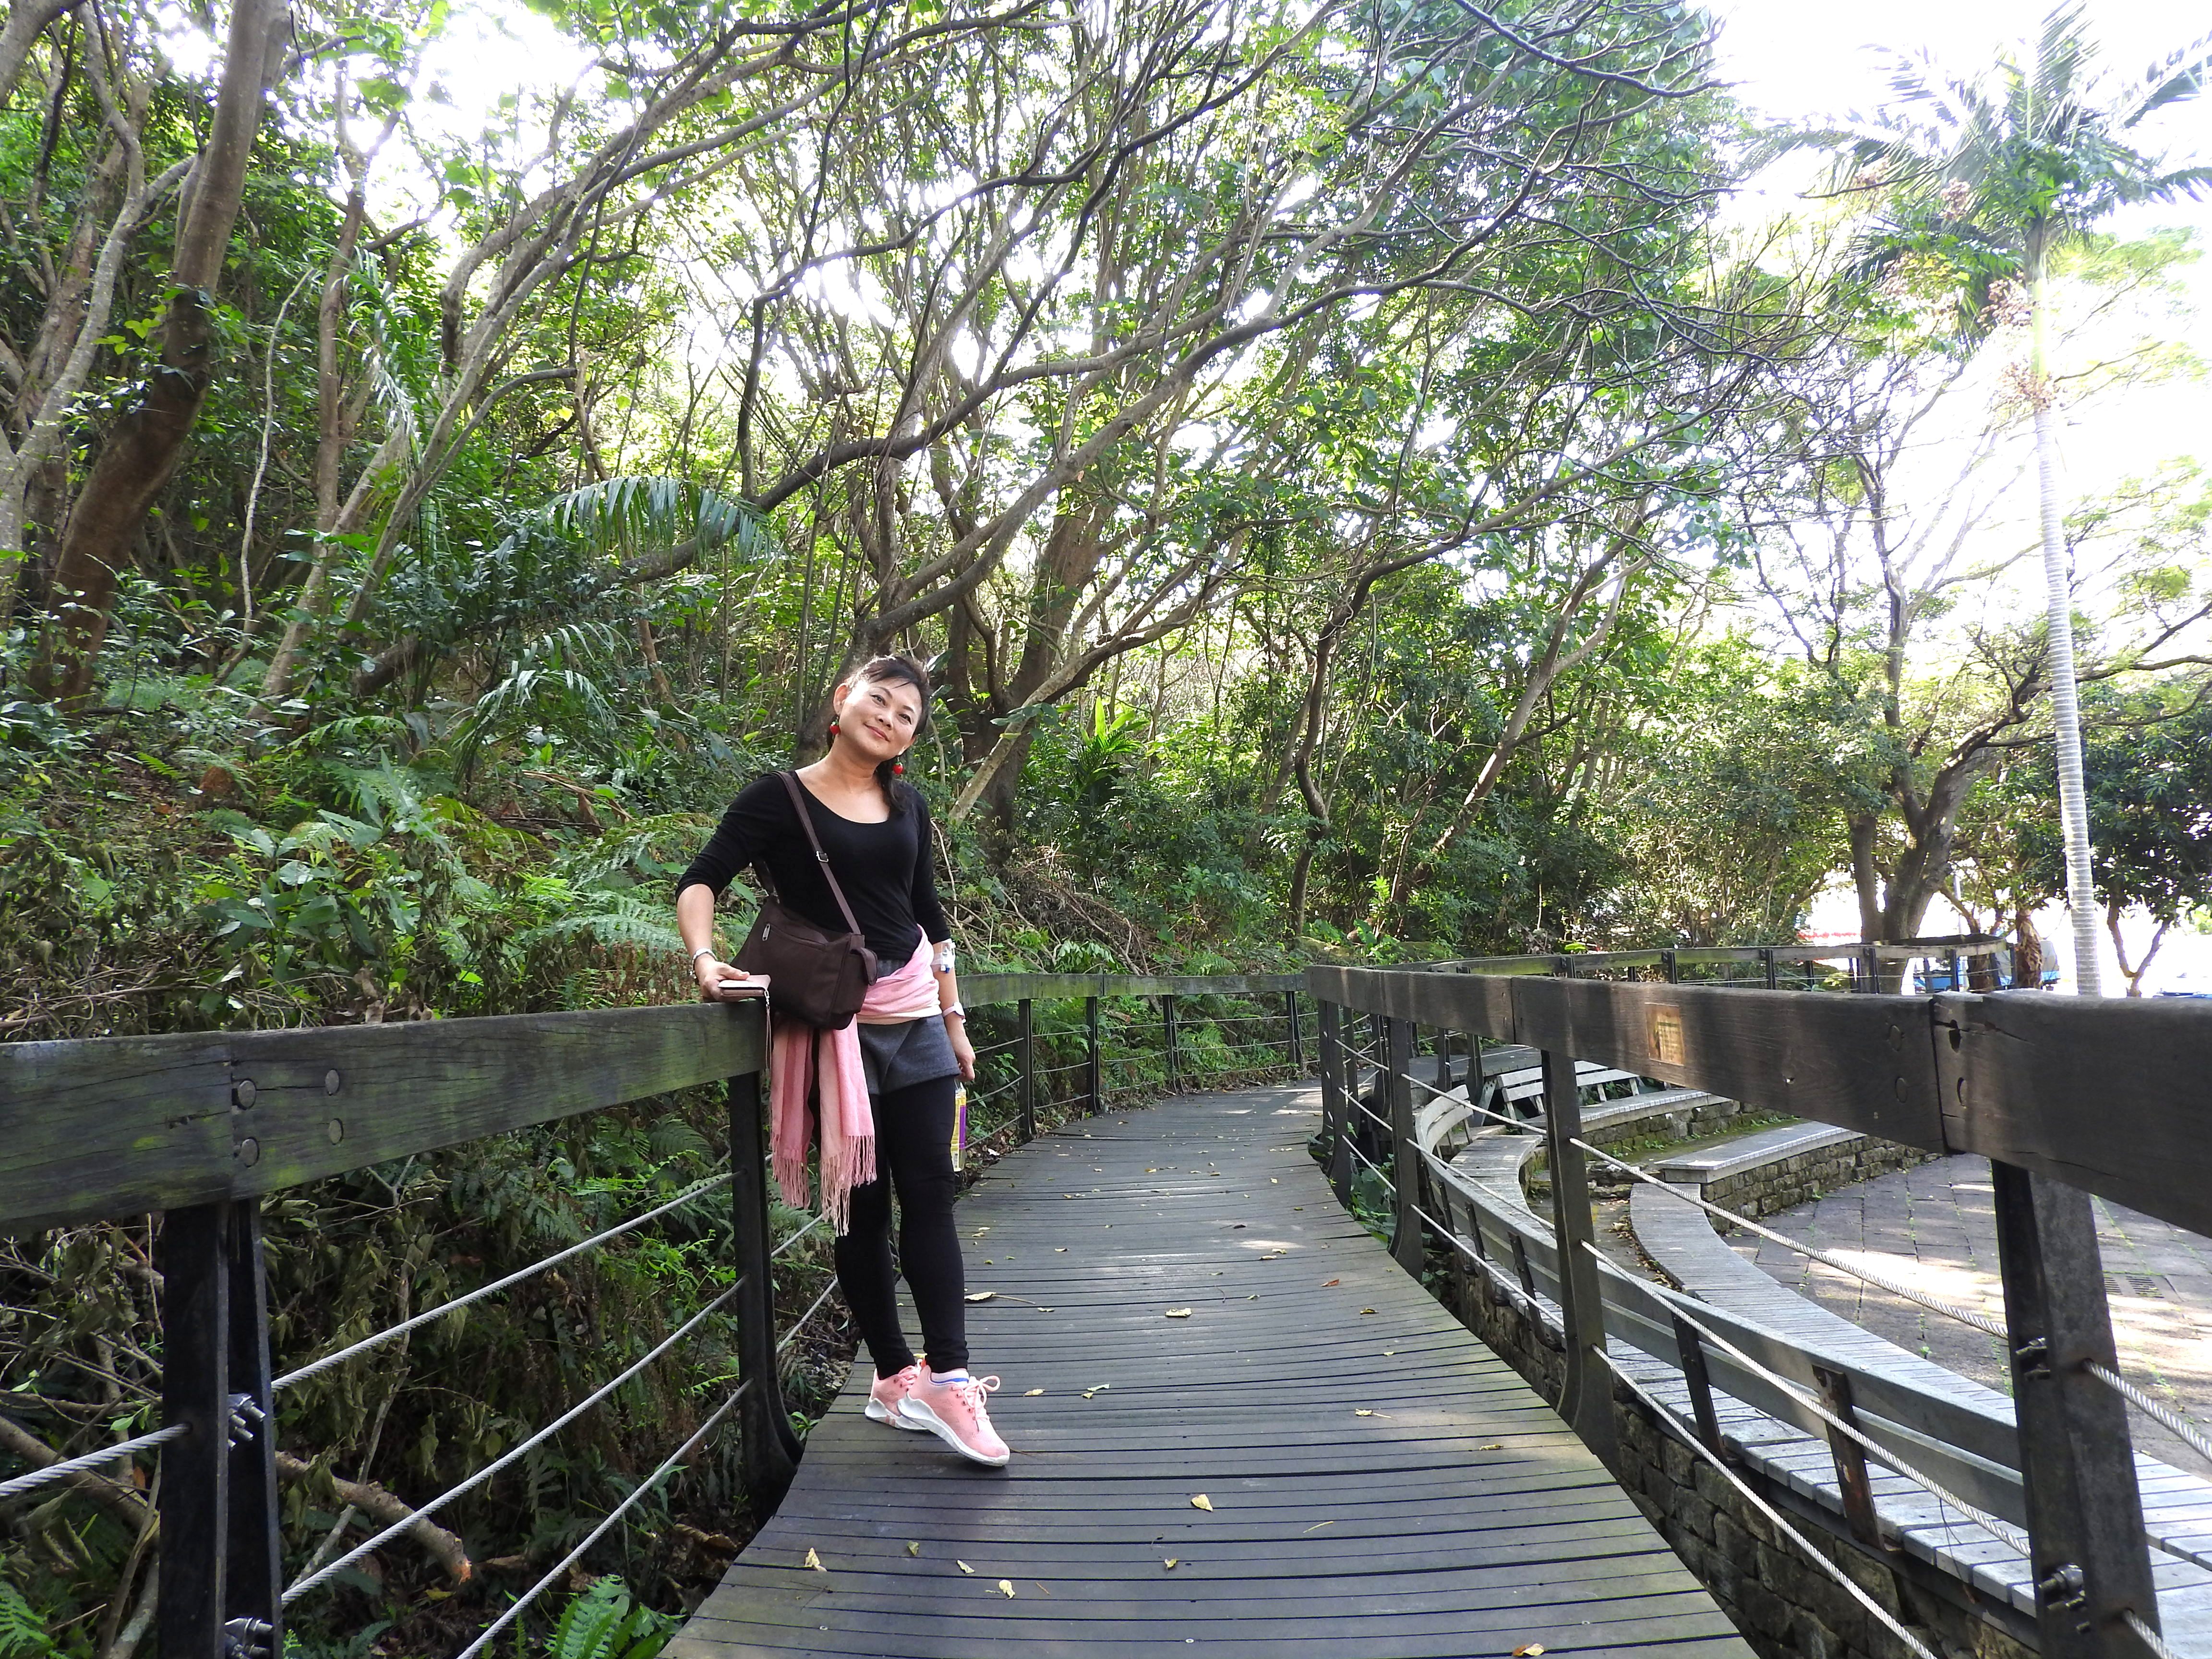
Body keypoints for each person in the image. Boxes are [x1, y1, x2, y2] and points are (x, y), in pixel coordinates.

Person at [675, 655, 1010, 1467]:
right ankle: (894, 1377)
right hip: (833, 1024)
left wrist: (956, 1017)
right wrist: (705, 959)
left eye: (906, 716)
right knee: (862, 1206)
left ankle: (950, 1378)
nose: (889, 718)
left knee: (930, 1193)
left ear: (911, 739)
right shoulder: (776, 799)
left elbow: (929, 916)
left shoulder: (908, 805)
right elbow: (702, 879)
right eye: (880, 700)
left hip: (916, 1016)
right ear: (843, 700)